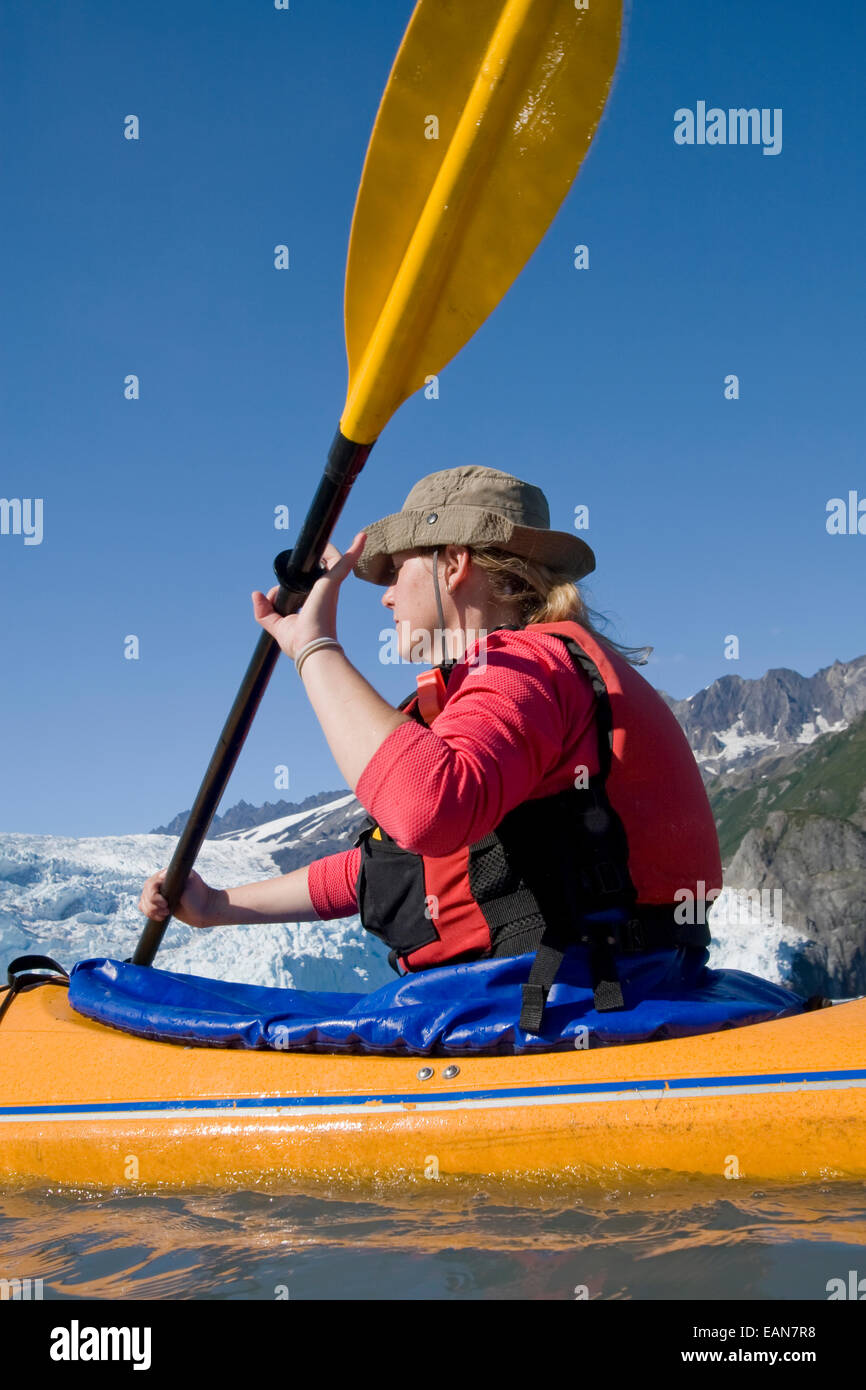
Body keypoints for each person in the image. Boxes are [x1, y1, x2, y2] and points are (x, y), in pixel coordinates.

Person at [139, 465, 722, 1034]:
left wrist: (314, 648)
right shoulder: (506, 687)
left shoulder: (524, 665)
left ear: (453, 563)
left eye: (397, 571)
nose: (387, 597)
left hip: (558, 1005)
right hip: (552, 994)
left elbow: (428, 807)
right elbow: (395, 868)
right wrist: (217, 906)